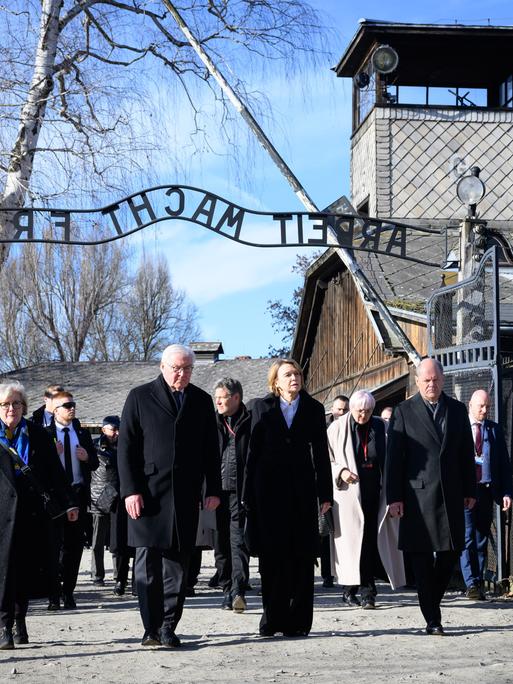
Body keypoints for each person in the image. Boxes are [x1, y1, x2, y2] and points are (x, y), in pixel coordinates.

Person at [118, 343, 221, 648]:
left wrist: (212, 489)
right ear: (163, 367)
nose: (182, 373)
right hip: (147, 494)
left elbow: (210, 450)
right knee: (147, 566)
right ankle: (150, 628)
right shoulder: (140, 396)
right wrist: (130, 490)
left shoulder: (201, 401)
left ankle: (167, 626)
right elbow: (126, 448)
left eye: (188, 368)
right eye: (176, 368)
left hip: (184, 495)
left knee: (178, 566)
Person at [386, 358, 476, 635]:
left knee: (450, 554)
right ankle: (433, 619)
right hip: (417, 496)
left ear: (443, 379)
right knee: (422, 559)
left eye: (435, 379)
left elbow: (465, 454)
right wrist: (394, 497)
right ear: (417, 381)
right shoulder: (404, 411)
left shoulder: (458, 410)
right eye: (426, 380)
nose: (431, 384)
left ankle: (430, 600)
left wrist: (470, 489)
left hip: (451, 494)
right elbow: (394, 459)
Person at [244, 358, 332, 637]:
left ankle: (299, 622)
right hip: (268, 493)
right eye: (288, 374)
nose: (294, 378)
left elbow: (321, 454)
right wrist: (247, 494)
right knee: (272, 559)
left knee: (303, 558)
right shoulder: (261, 408)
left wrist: (325, 495)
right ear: (276, 382)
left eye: (297, 373)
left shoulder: (314, 409)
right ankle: (272, 618)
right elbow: (251, 454)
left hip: (303, 493)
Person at [0, 381, 77, 650]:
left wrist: (69, 503)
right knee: (2, 573)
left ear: (24, 407)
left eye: (17, 403)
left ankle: (20, 620)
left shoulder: (37, 434)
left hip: (31, 514)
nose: (12, 409)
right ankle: (3, 625)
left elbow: (56, 473)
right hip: (0, 516)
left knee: (24, 570)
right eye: (6, 404)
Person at [328, 390, 404, 609]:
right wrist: (341, 471)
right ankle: (349, 588)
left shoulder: (383, 427)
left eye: (368, 411)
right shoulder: (336, 428)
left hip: (376, 494)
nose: (363, 415)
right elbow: (326, 459)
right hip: (349, 495)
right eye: (360, 411)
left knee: (371, 541)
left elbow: (393, 459)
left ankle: (368, 593)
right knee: (354, 544)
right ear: (351, 409)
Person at [46, 391, 98, 610]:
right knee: (52, 546)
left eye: (73, 404)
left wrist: (87, 458)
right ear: (55, 410)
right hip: (55, 497)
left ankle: (68, 592)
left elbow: (95, 463)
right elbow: (37, 467)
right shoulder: (45, 433)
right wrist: (51, 454)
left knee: (74, 547)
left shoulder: (81, 433)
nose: (72, 408)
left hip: (77, 494)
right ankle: (53, 594)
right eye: (67, 405)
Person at [460, 389, 512, 600]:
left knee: (481, 538)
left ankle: (479, 581)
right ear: (470, 405)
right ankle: (470, 582)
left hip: (487, 490)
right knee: (467, 538)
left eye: (487, 407)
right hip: (466, 492)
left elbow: (504, 464)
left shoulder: (494, 430)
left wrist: (507, 492)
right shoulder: (460, 428)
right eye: (481, 406)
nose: (484, 410)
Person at [213, 378, 251, 613]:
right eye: (216, 397)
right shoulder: (211, 421)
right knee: (220, 545)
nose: (218, 401)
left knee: (238, 542)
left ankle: (238, 590)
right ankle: (227, 587)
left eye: (222, 397)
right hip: (216, 493)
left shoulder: (251, 420)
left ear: (236, 397)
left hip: (240, 492)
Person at [89, 415, 122, 587]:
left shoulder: (125, 445)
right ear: (103, 430)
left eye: (118, 429)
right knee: (98, 541)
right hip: (99, 497)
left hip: (119, 496)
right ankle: (97, 575)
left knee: (117, 540)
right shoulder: (93, 446)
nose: (116, 433)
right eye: (112, 429)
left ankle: (119, 575)